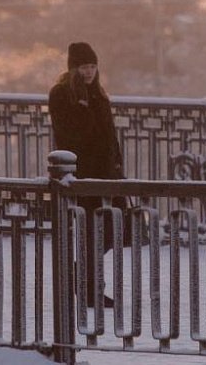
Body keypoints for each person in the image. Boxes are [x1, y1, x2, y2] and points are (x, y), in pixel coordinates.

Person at [49, 42, 126, 308]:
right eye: (84, 67)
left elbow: (108, 134)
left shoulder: (98, 94)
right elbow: (71, 135)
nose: (89, 72)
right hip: (82, 174)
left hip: (107, 175)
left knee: (117, 229)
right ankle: (90, 288)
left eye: (93, 66)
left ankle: (79, 274)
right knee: (92, 231)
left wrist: (117, 165)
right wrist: (82, 107)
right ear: (73, 68)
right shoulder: (61, 94)